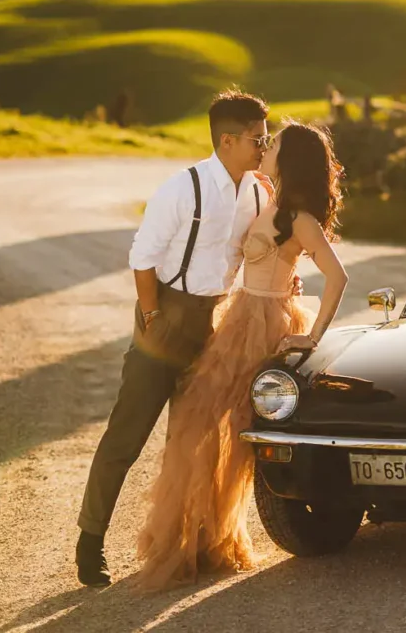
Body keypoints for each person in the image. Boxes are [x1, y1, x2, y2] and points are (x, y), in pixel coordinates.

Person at [74, 89, 282, 588]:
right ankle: (89, 542)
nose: (263, 147)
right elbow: (142, 256)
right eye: (258, 139)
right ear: (227, 140)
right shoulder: (182, 188)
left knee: (190, 446)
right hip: (165, 313)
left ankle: (185, 547)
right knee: (127, 435)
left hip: (216, 324)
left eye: (266, 137)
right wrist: (151, 313)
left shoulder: (256, 192)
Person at [134, 121, 349, 589]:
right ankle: (204, 538)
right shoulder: (266, 197)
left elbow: (337, 277)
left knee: (227, 425)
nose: (264, 149)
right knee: (203, 423)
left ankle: (208, 541)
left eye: (272, 145)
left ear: (287, 159)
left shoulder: (300, 218)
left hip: (265, 325)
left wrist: (311, 336)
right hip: (240, 315)